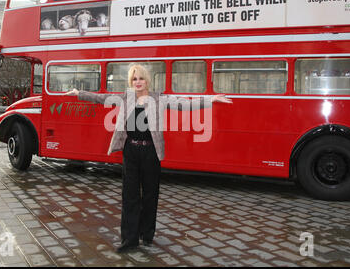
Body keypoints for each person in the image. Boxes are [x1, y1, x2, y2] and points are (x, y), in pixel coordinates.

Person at [66, 63, 232, 253]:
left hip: (151, 152)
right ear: (131, 81)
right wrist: (79, 93)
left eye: (141, 78)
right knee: (130, 196)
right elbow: (101, 97)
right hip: (131, 151)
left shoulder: (158, 98)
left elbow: (184, 103)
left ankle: (147, 234)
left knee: (150, 194)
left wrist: (211, 99)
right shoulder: (125, 98)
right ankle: (129, 240)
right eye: (134, 79)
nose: (138, 82)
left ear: (147, 80)